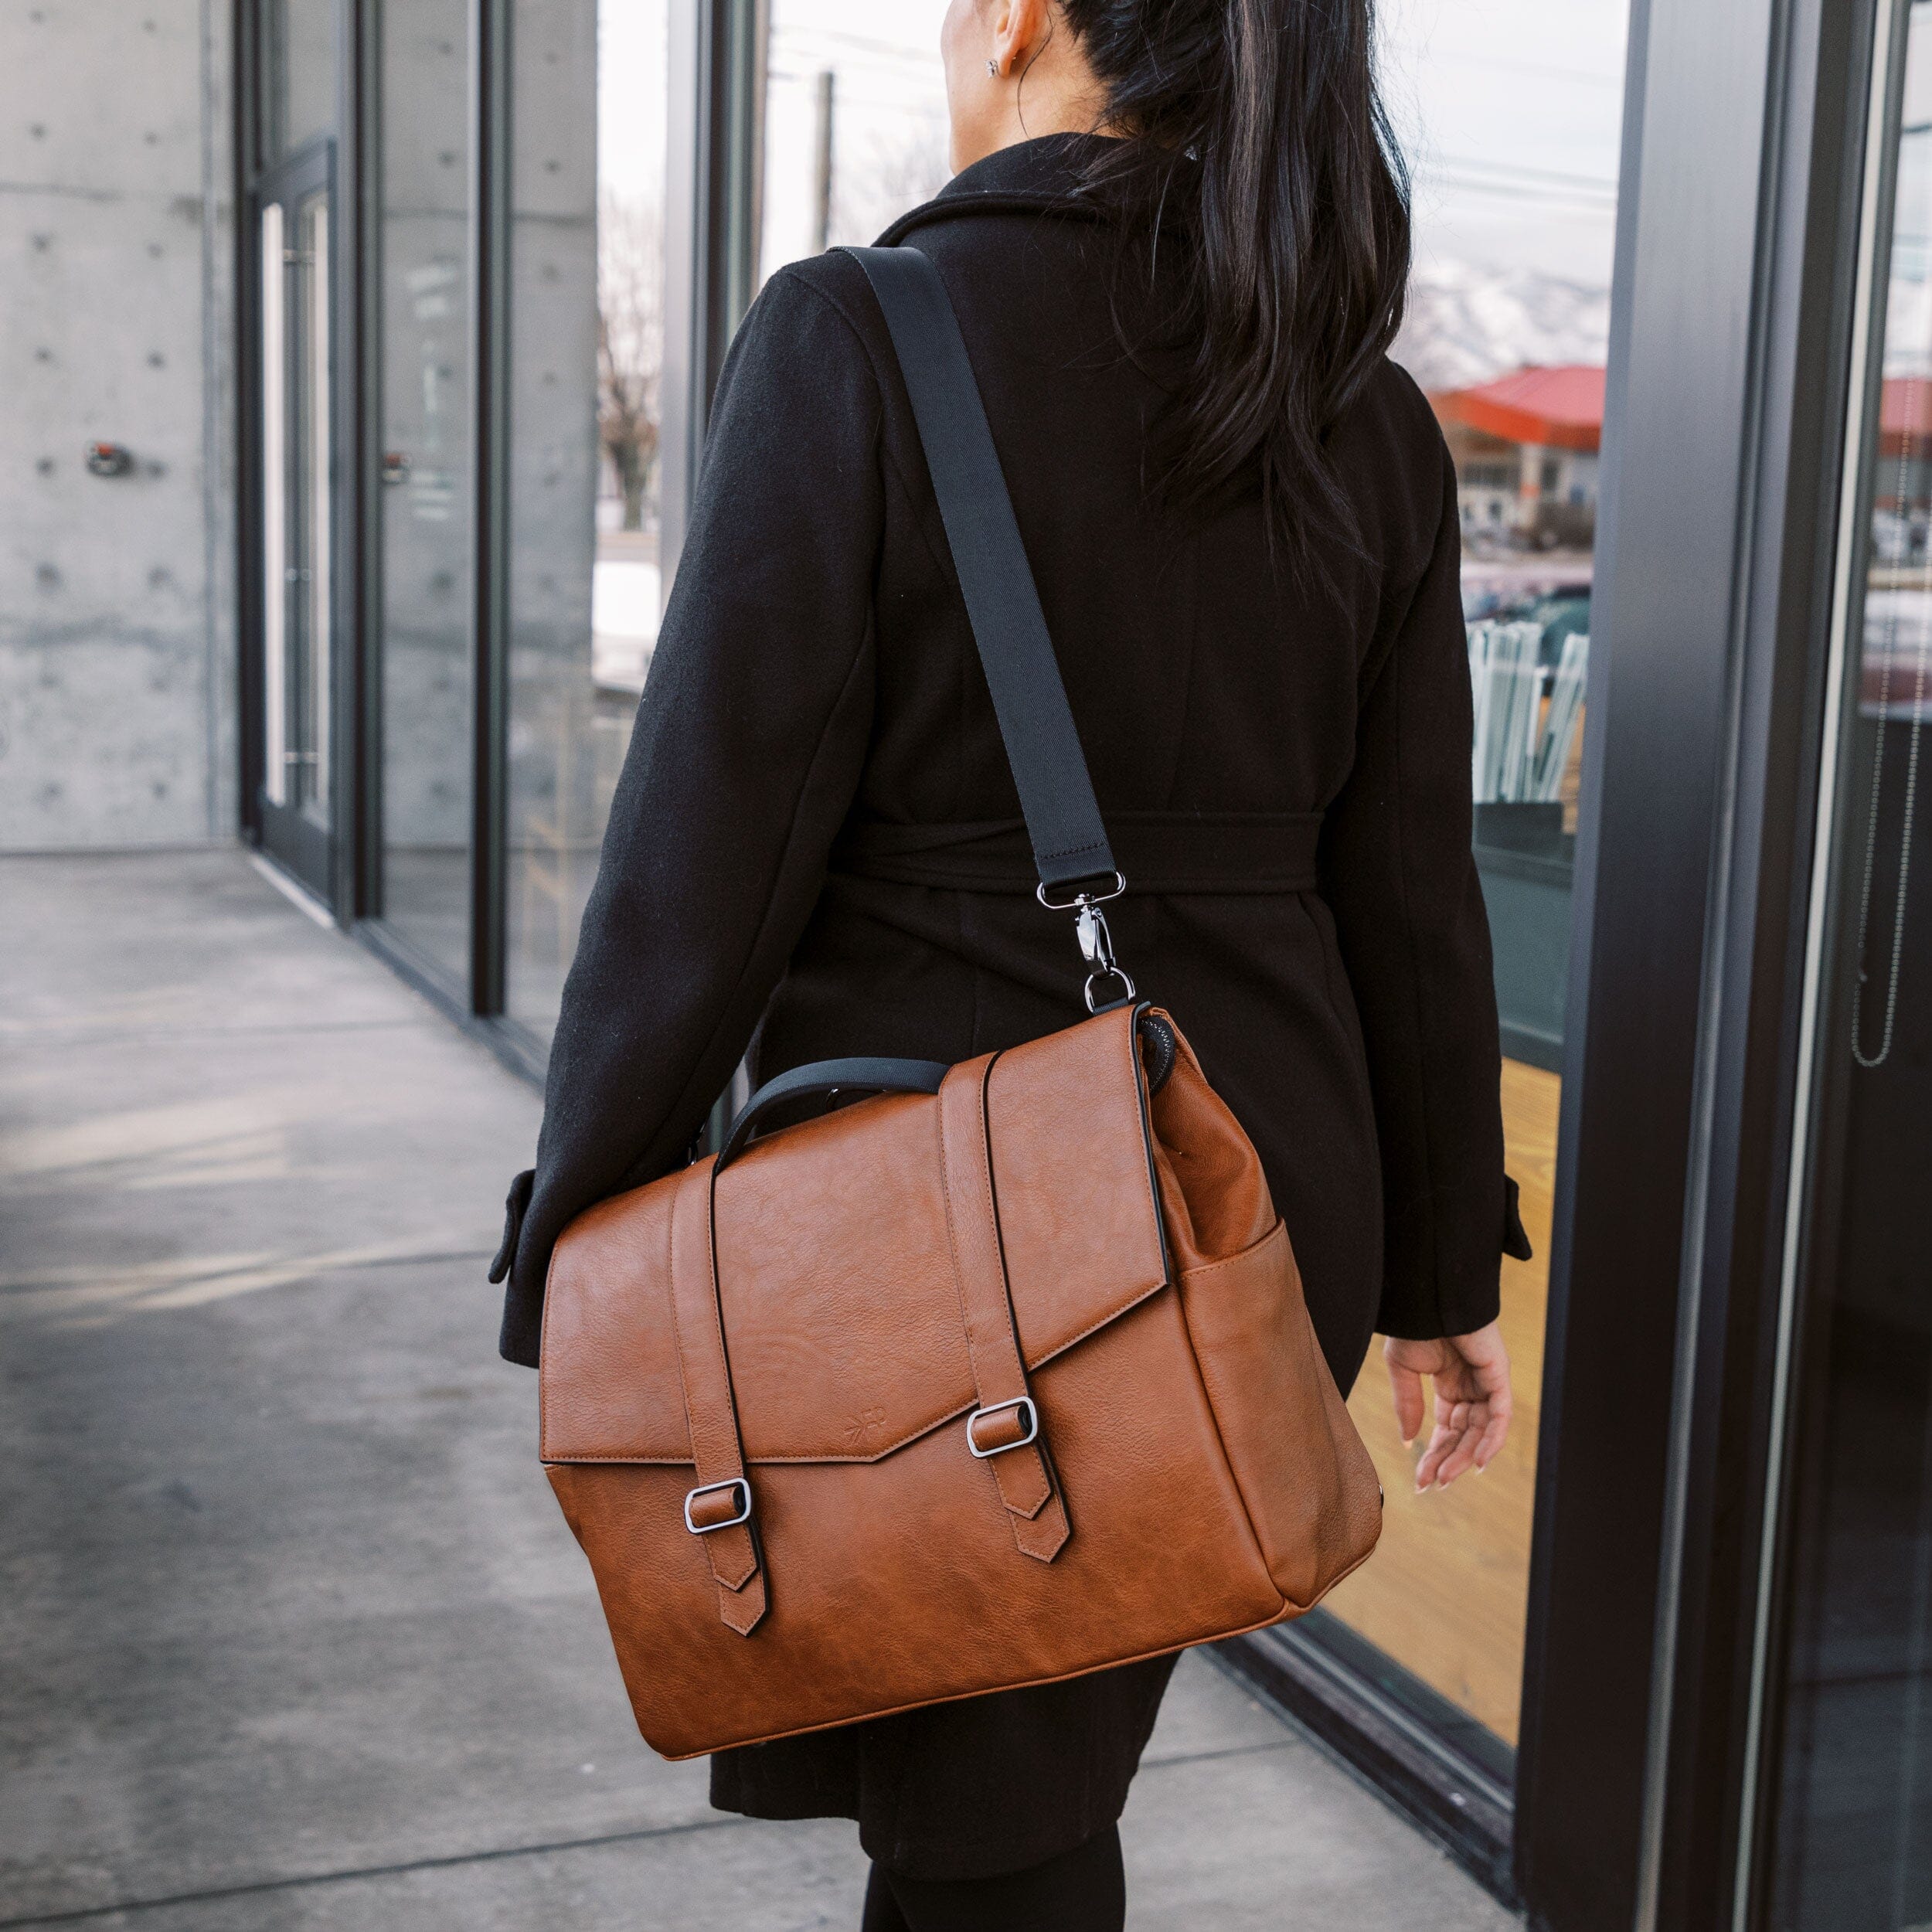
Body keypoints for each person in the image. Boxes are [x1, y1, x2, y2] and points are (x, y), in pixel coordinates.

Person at [491, 2, 1528, 1925]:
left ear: (1026, 21)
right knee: (1014, 1768)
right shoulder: (1359, 408)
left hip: (959, 1234)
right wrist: (1429, 1259)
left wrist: (580, 1228)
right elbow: (1406, 887)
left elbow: (703, 852)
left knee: (990, 1824)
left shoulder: (860, 335)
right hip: (1252, 1210)